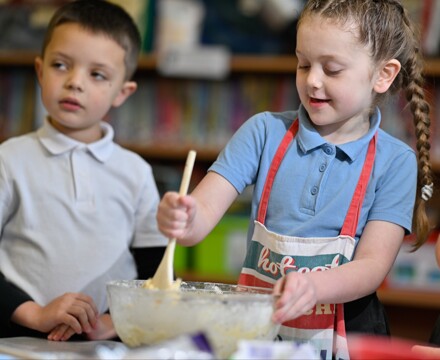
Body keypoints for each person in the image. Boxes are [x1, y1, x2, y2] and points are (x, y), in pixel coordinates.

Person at [157, 0, 434, 358]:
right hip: (260, 328)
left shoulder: (395, 161)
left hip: (346, 334)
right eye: (303, 64)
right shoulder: (263, 132)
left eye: (332, 69)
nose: (312, 80)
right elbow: (198, 222)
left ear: (383, 74)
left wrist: (314, 286)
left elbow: (372, 267)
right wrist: (183, 217)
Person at [0, 0, 167, 341]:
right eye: (61, 65)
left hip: (105, 343)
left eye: (97, 74)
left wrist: (117, 321)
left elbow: (158, 273)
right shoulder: (9, 160)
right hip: (17, 339)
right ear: (39, 70)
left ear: (122, 92)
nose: (75, 82)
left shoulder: (135, 172)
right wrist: (36, 314)